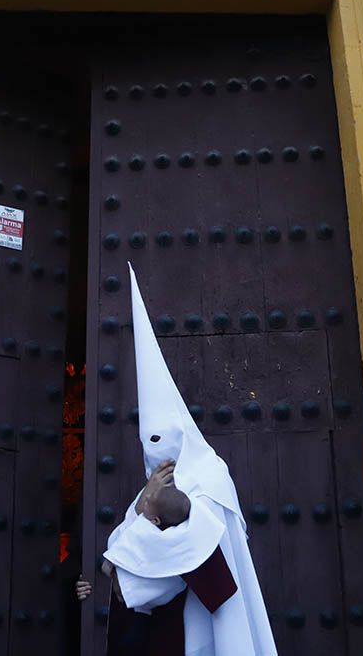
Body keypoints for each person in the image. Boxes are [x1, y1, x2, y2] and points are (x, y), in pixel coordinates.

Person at [95, 265, 278, 656]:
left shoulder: (210, 477)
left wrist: (128, 554)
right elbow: (120, 556)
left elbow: (163, 574)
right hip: (166, 633)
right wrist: (145, 511)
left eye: (161, 437)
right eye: (148, 441)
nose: (156, 449)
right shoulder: (152, 486)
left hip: (203, 629)